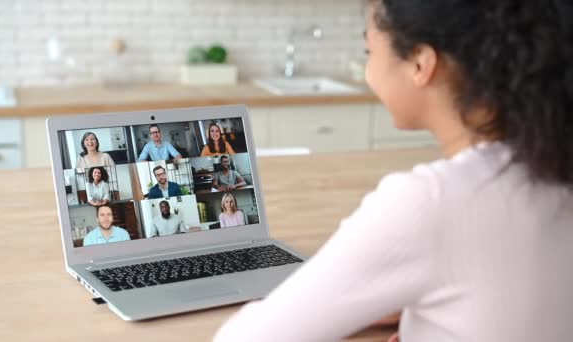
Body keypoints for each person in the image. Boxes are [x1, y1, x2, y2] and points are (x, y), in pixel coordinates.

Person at [214, 1, 573, 342]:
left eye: (369, 52)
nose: (368, 68)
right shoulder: (556, 165)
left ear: (420, 63)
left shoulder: (429, 201)